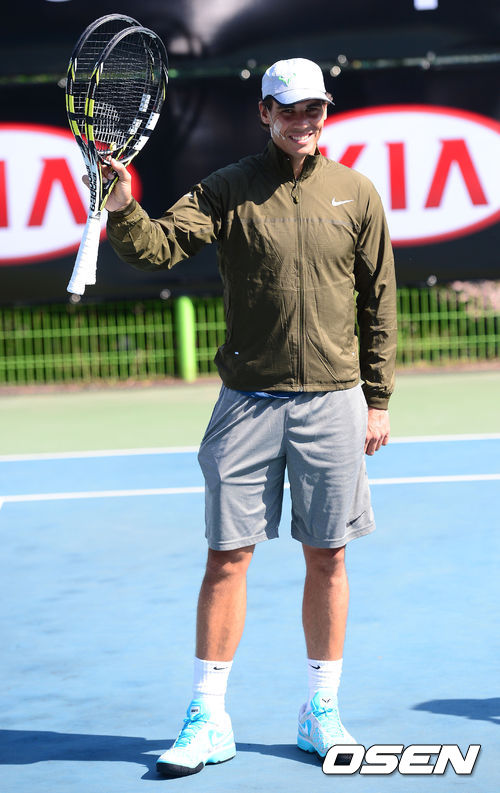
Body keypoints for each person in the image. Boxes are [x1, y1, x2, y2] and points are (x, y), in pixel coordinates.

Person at [103, 57, 397, 777]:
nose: (302, 121)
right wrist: (122, 207)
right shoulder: (227, 187)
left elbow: (379, 299)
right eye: (288, 109)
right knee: (226, 557)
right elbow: (158, 247)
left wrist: (378, 397)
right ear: (264, 112)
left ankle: (321, 710)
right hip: (247, 404)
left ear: (326, 112)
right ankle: (208, 716)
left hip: (333, 401)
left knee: (329, 556)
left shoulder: (357, 193)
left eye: (313, 109)